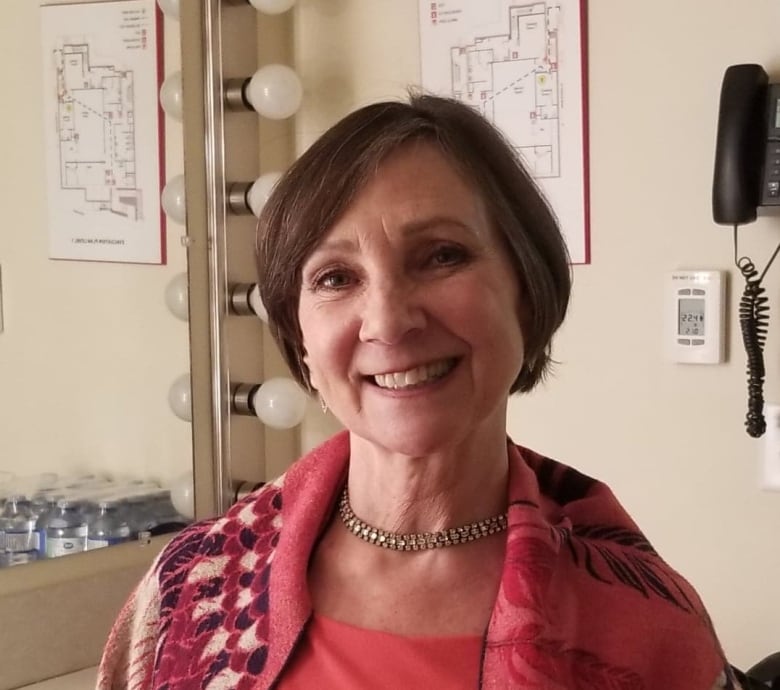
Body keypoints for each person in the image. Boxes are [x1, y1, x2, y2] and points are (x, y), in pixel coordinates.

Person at [98, 93, 739, 689]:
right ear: (301, 343)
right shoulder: (191, 588)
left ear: (527, 290)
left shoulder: (645, 625)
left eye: (440, 256)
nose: (387, 321)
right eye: (336, 277)